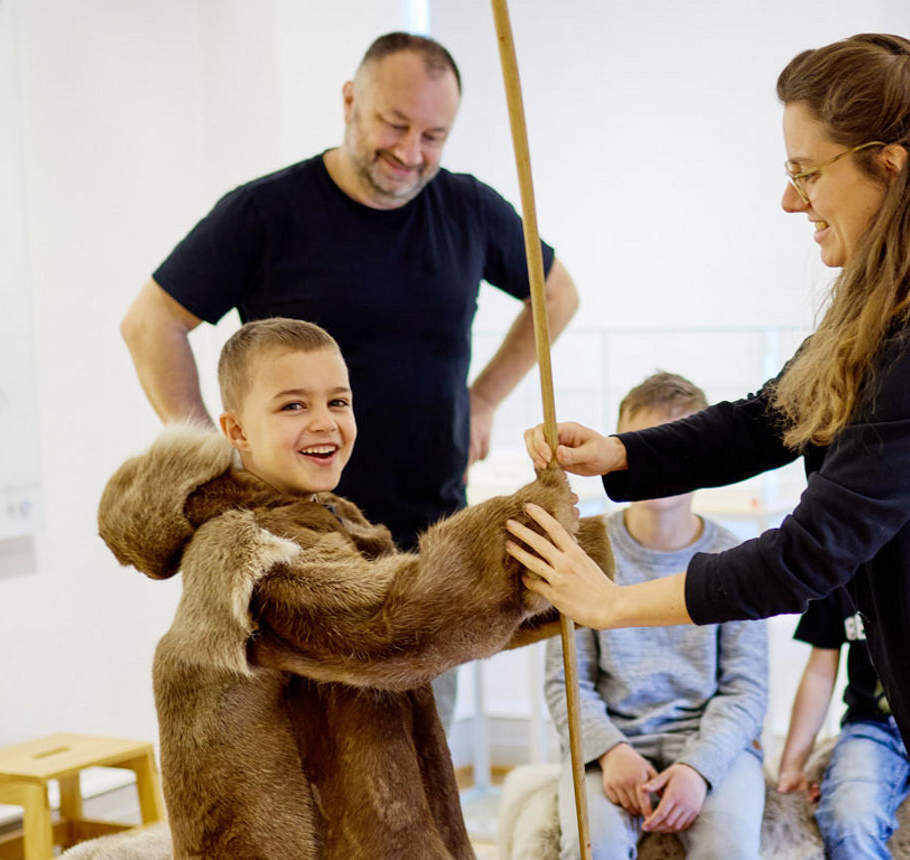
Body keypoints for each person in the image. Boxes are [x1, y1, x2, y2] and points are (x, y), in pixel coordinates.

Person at [506, 33, 910, 859]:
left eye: (807, 173)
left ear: (889, 165)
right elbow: (772, 415)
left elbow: (808, 555)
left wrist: (612, 603)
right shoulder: (889, 293)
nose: (792, 201)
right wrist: (622, 453)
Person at [119, 32, 580, 725]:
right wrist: (211, 460)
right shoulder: (266, 212)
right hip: (295, 562)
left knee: (422, 762)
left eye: (433, 136)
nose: (411, 152)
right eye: (394, 125)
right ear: (349, 102)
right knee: (294, 767)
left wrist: (483, 398)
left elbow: (558, 295)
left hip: (424, 549)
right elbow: (150, 323)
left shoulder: (468, 209)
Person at [97, 318, 611, 860]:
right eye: (293, 406)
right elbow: (389, 624)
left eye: (338, 402)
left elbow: (442, 624)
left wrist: (569, 566)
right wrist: (527, 529)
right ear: (238, 431)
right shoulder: (243, 552)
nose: (324, 422)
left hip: (373, 820)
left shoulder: (333, 517)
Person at [544, 372, 768, 860]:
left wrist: (698, 769)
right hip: (612, 745)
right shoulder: (586, 554)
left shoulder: (737, 558)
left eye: (675, 447)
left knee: (729, 844)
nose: (662, 463)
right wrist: (611, 752)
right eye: (646, 445)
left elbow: (746, 689)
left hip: (714, 746)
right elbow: (566, 682)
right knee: (592, 844)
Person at [777, 588, 910, 859]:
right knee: (849, 824)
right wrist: (792, 766)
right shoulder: (839, 574)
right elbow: (819, 673)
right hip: (872, 725)